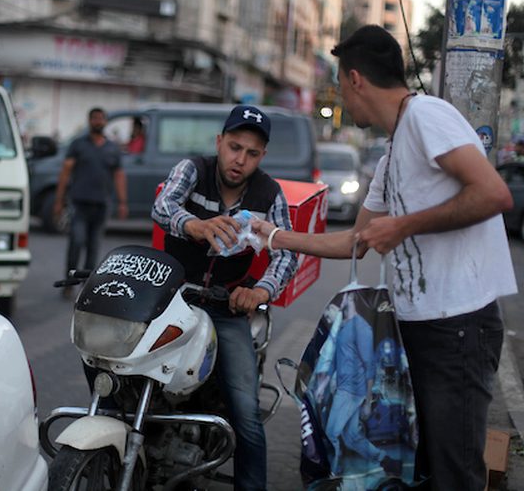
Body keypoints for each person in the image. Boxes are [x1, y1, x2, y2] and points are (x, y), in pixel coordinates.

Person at [253, 25, 517, 490]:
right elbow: (357, 240)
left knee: (455, 472)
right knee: (422, 468)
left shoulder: (426, 116)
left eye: (340, 85)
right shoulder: (394, 149)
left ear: (356, 79)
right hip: (417, 327)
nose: (344, 98)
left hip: (458, 327)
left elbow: (494, 193)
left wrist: (404, 224)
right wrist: (275, 236)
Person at [152, 104, 298, 490]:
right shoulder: (192, 169)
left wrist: (260, 290)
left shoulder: (270, 193)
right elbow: (163, 205)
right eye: (234, 147)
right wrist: (194, 225)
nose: (240, 160)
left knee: (246, 413)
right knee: (124, 376)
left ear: (262, 157)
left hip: (225, 309)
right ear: (219, 142)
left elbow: (286, 251)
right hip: (171, 301)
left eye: (251, 153)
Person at [324, 292, 400, 476]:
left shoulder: (361, 329)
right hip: (344, 388)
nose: (335, 305)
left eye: (342, 300)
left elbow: (370, 365)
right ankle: (387, 461)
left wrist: (367, 401)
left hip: (351, 391)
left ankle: (333, 472)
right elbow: (339, 358)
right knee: (352, 437)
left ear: (351, 301)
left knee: (331, 433)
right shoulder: (344, 326)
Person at [54, 107, 128, 294]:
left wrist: (122, 202)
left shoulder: (112, 148)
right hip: (79, 204)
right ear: (89, 121)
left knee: (93, 249)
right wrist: (59, 199)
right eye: (94, 118)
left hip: (101, 205)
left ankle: (86, 288)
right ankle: (70, 282)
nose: (98, 122)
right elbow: (65, 171)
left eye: (101, 119)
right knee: (76, 242)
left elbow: (119, 175)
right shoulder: (78, 145)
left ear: (105, 122)